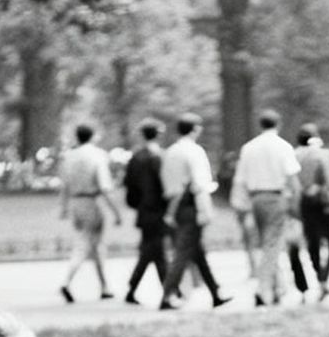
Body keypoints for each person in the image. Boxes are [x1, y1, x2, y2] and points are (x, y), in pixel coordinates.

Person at [159, 114, 230, 312]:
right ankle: (168, 293)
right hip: (191, 206)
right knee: (183, 253)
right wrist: (206, 211)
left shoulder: (170, 152)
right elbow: (200, 185)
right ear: (195, 129)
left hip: (176, 206)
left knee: (197, 252)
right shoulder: (194, 151)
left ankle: (215, 292)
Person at [234, 110, 300, 308]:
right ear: (278, 124)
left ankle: (278, 287)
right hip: (275, 197)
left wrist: (243, 206)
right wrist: (295, 205)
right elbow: (292, 178)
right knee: (272, 245)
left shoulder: (248, 148)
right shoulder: (283, 147)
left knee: (267, 244)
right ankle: (263, 290)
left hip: (255, 199)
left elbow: (240, 180)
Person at [57, 124, 122, 303]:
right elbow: (105, 186)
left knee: (95, 245)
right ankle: (67, 281)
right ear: (93, 136)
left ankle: (105, 286)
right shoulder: (97, 155)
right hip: (91, 202)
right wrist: (116, 212)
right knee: (85, 244)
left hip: (75, 203)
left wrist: (63, 208)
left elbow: (65, 186)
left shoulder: (68, 157)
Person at [123, 119, 171, 305]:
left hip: (144, 210)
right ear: (158, 134)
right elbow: (165, 185)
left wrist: (138, 204)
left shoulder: (136, 157)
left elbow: (130, 187)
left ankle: (133, 288)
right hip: (157, 211)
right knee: (156, 252)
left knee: (150, 251)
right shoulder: (159, 157)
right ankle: (168, 292)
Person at [295, 125, 329, 296]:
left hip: (304, 201)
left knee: (312, 241)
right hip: (323, 200)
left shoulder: (294, 155)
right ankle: (324, 276)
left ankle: (319, 275)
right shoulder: (324, 154)